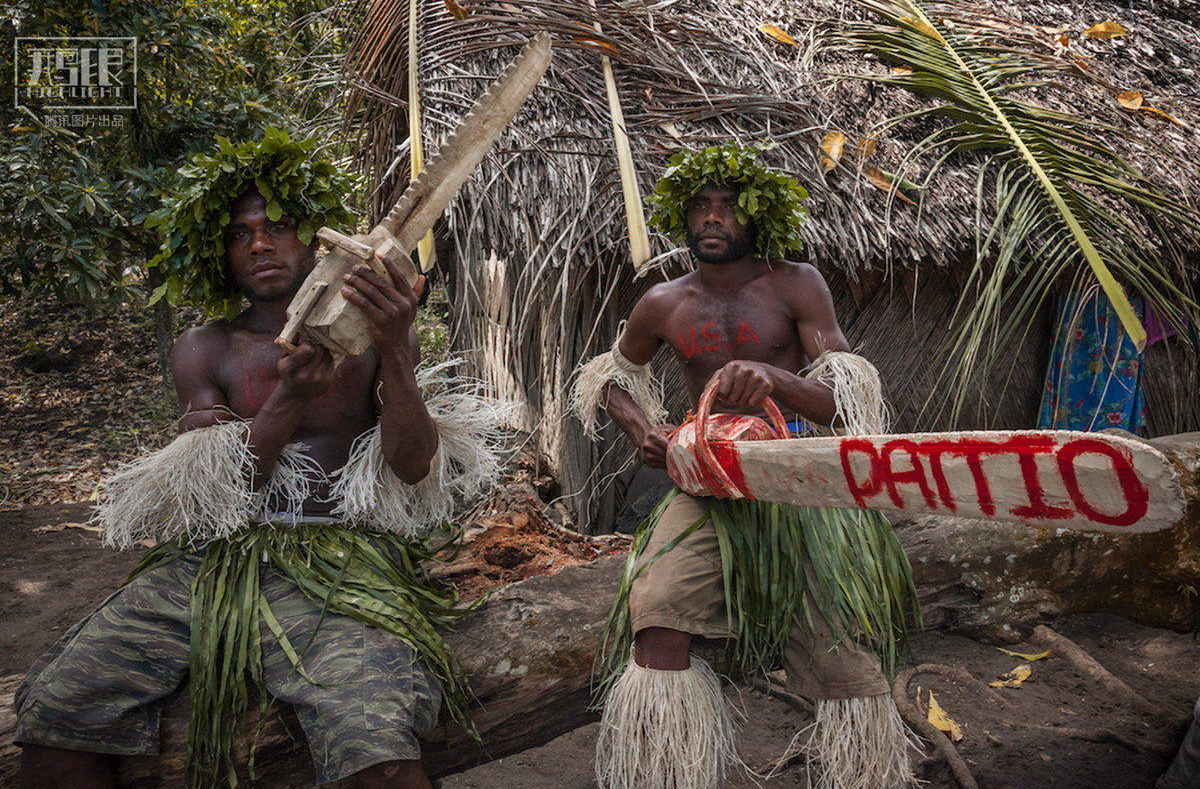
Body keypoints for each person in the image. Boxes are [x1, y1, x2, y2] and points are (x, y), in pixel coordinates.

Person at [14, 128, 507, 789]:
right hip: (218, 558)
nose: (260, 244)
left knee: (380, 751)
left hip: (341, 560)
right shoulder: (205, 347)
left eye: (277, 227)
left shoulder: (376, 338)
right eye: (240, 235)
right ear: (221, 256)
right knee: (55, 710)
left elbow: (412, 467)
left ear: (317, 241)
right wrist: (287, 403)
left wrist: (393, 351)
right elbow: (217, 496)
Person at [572, 142, 920, 789]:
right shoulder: (664, 303)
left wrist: (772, 379)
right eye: (701, 207)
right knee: (656, 621)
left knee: (847, 656)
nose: (712, 219)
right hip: (706, 484)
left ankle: (862, 773)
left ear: (755, 217)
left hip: (798, 481)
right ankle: (671, 774)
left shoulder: (796, 284)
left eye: (728, 208)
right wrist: (647, 431)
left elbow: (842, 405)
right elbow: (608, 378)